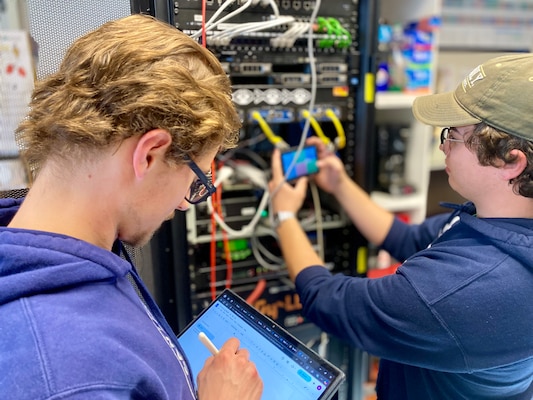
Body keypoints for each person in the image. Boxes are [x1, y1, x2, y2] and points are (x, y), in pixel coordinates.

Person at [0, 14, 263, 400]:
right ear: (149, 154)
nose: (183, 203)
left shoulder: (70, 249)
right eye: (197, 182)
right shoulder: (66, 377)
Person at [268, 53, 533, 399]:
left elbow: (327, 301)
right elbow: (406, 239)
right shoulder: (496, 222)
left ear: (509, 160)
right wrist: (340, 185)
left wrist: (284, 215)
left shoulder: (469, 286)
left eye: (452, 135)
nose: (442, 146)